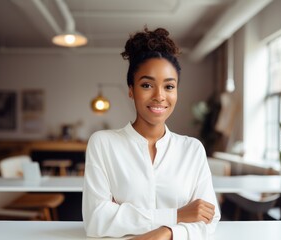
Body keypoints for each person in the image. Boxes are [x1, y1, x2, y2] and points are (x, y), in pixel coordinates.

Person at [82, 27, 221, 240]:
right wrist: (178, 215)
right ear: (131, 89)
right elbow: (96, 219)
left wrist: (166, 232)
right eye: (147, 85)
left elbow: (208, 219)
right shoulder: (103, 143)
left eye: (169, 86)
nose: (159, 96)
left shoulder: (192, 149)